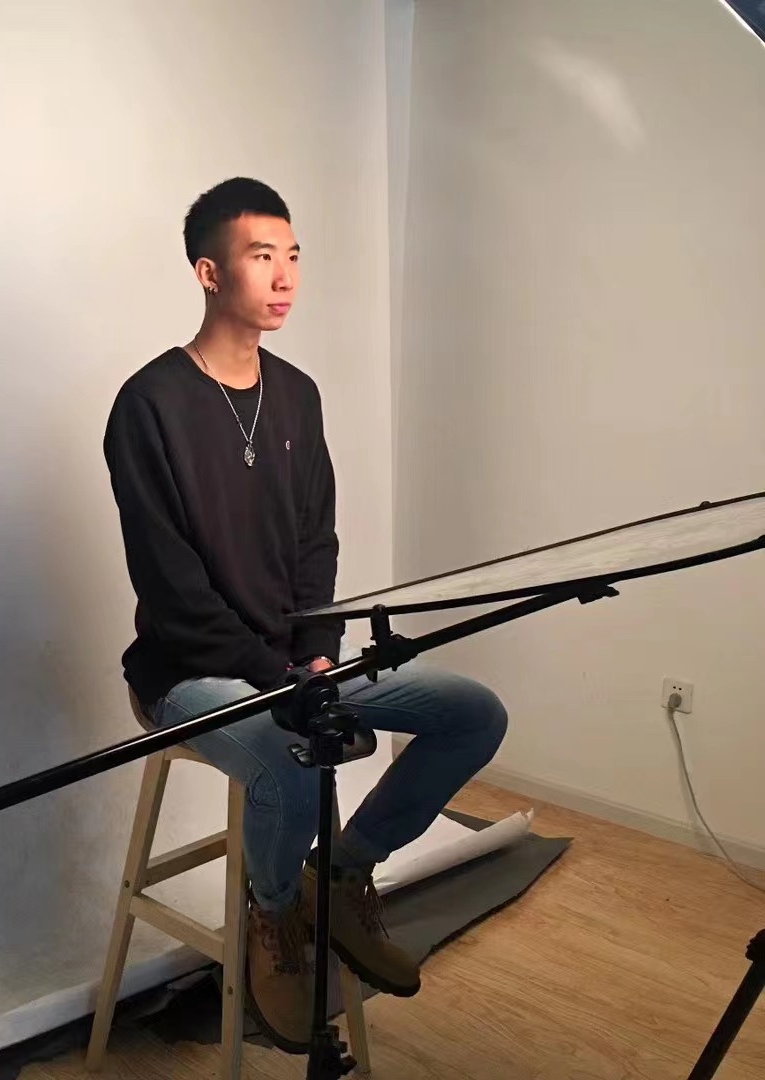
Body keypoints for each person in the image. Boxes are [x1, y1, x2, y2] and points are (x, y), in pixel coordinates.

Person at [103, 177, 507, 1053]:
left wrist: (318, 653)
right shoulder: (149, 404)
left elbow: (315, 542)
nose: (285, 276)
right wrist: (279, 677)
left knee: (473, 714)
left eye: (293, 256)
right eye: (262, 257)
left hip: (296, 666)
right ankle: (276, 915)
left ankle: (341, 876)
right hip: (190, 673)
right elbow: (173, 592)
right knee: (291, 763)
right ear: (210, 272)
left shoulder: (297, 394)